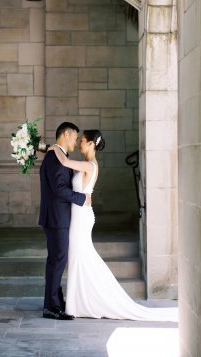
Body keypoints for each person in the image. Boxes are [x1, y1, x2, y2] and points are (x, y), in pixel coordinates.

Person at [49, 129, 177, 321]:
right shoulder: (87, 165)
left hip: (82, 218)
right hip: (79, 215)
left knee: (80, 257)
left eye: (83, 141)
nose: (80, 144)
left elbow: (65, 162)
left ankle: (82, 303)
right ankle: (77, 303)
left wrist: (51, 148)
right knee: (79, 258)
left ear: (92, 144)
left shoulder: (89, 165)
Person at [38, 122, 92, 320]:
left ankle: (53, 302)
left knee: (57, 260)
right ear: (66, 134)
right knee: (57, 261)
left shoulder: (55, 155)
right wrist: (81, 199)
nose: (76, 141)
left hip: (58, 217)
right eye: (75, 137)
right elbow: (59, 189)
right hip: (56, 218)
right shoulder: (54, 158)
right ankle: (51, 307)